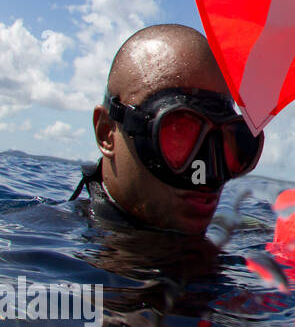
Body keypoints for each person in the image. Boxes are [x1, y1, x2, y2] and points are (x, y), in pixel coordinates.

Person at [70, 24, 263, 235]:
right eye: (181, 132)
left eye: (229, 141)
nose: (208, 174)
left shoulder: (249, 236)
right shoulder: (43, 251)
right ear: (106, 133)